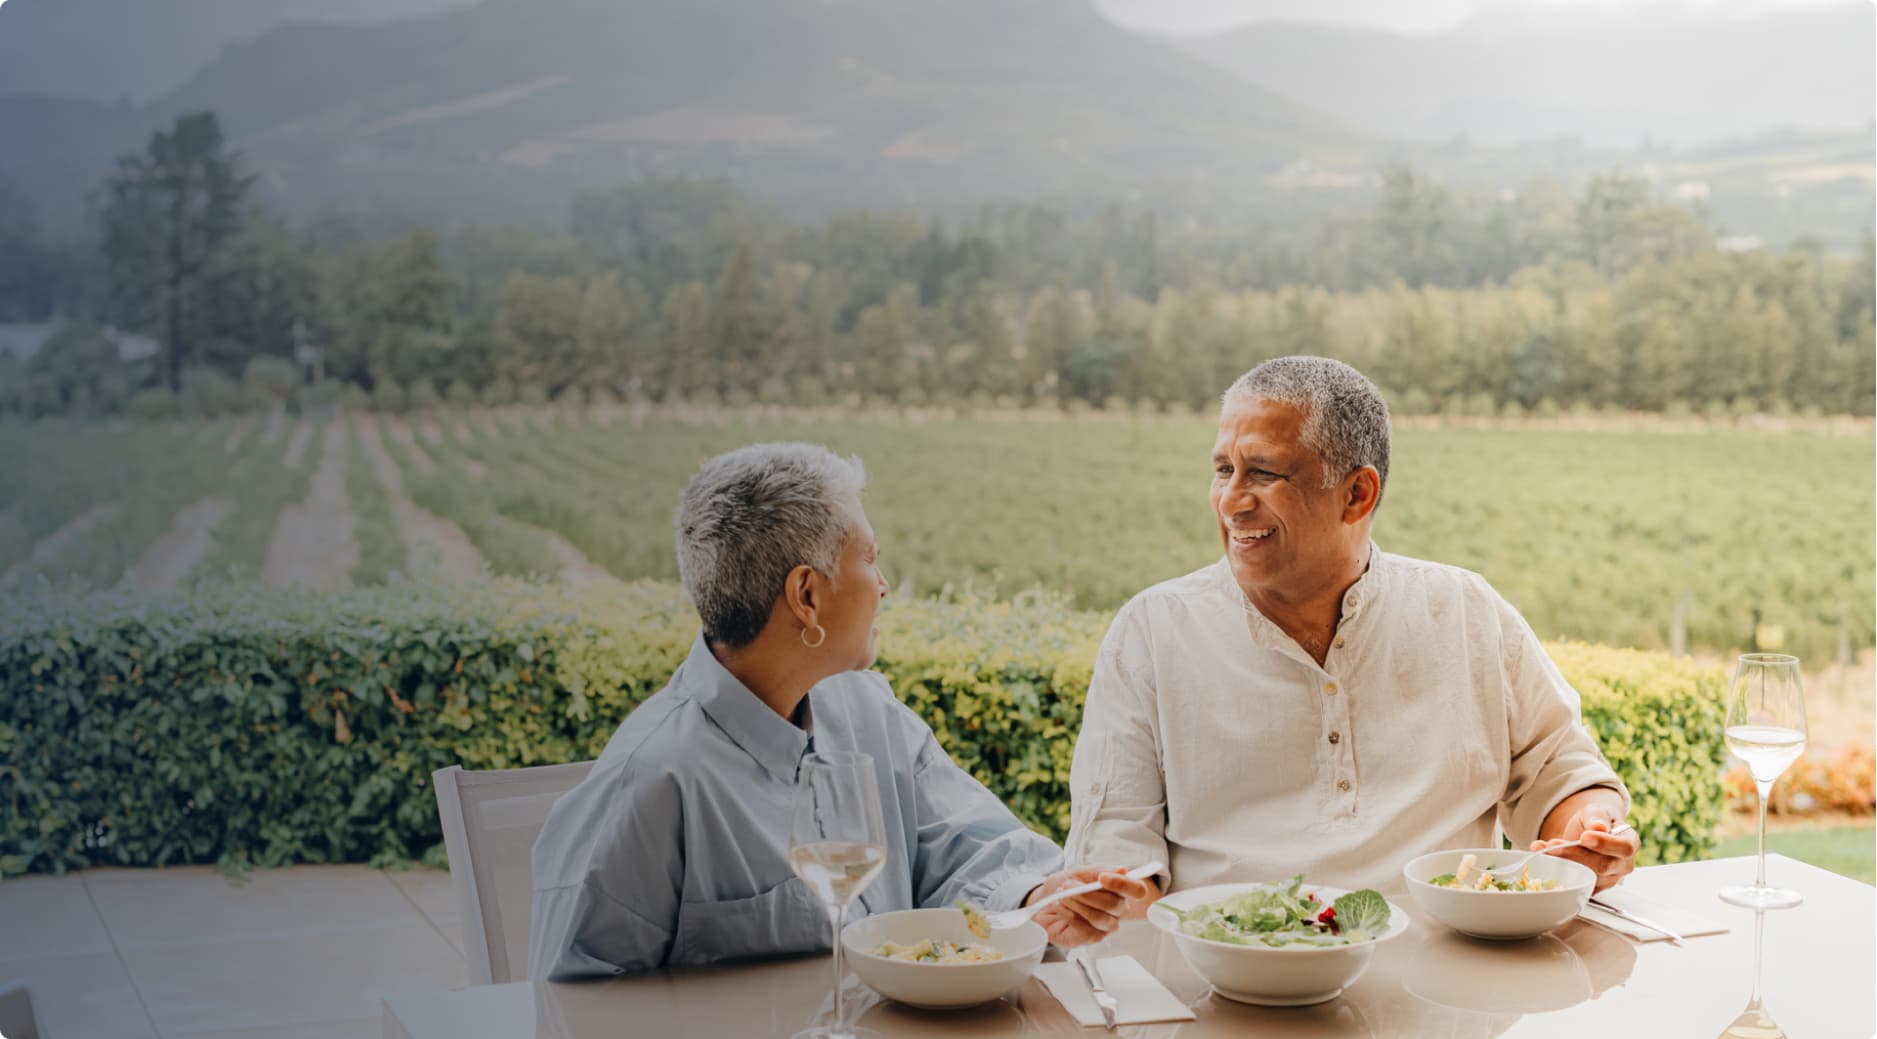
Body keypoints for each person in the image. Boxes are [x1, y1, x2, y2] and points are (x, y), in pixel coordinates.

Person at [530, 442, 1152, 979]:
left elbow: (962, 843)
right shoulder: (649, 782)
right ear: (806, 595)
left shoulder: (867, 710)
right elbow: (569, 1008)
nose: (883, 586)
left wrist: (1038, 893)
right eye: (871, 558)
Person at [1065, 356, 1639, 905]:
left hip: (1450, 979)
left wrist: (1588, 832)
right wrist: (1118, 904)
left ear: (1357, 494)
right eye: (1223, 470)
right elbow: (1116, 847)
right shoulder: (1153, 630)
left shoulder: (1467, 611)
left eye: (1263, 473)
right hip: (1234, 977)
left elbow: (1560, 773)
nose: (1231, 502)